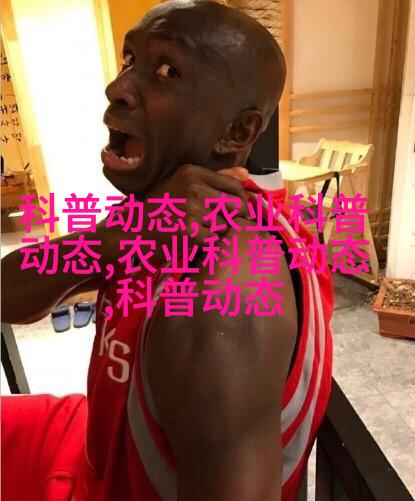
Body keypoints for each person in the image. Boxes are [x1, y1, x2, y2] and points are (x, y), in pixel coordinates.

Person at [1, 1, 333, 500]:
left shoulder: (222, 297)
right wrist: (115, 239)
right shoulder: (159, 211)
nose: (117, 87)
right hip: (94, 445)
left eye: (167, 71)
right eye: (130, 59)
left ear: (237, 132)